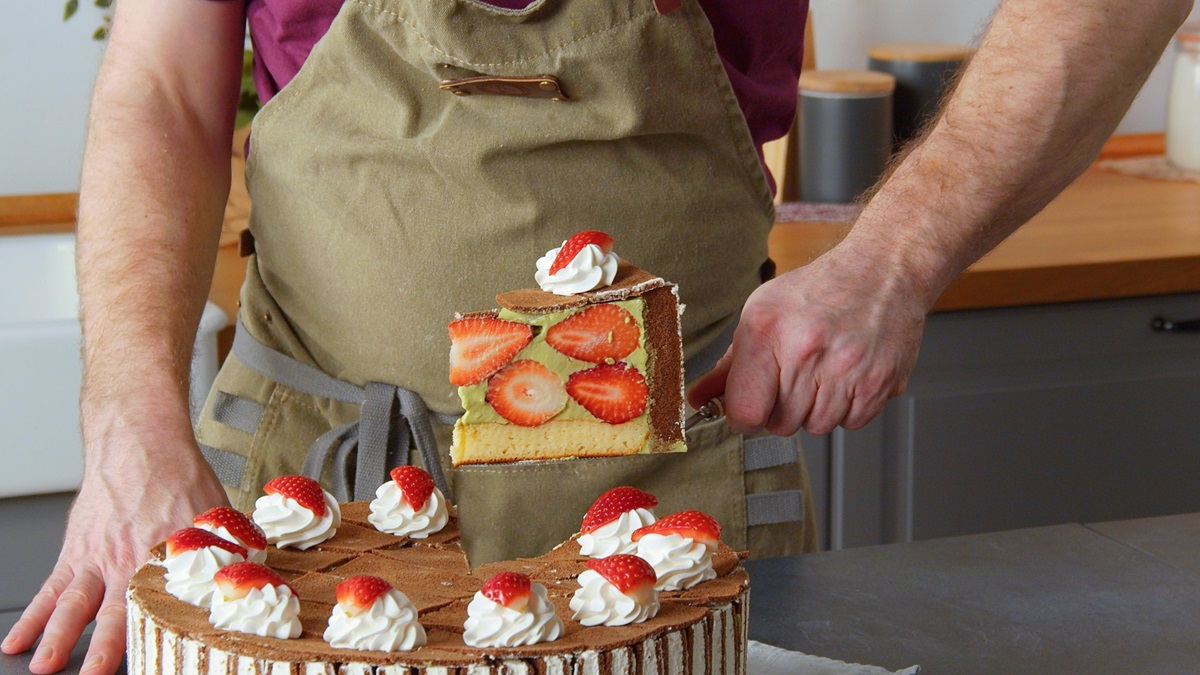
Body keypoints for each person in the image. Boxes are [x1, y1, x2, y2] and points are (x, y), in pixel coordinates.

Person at [3, 0, 1193, 673]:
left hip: (676, 521)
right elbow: (161, 85)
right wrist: (125, 420)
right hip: (317, 508)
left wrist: (895, 257)